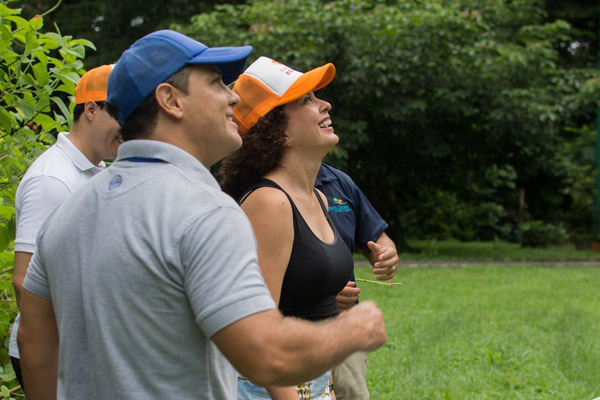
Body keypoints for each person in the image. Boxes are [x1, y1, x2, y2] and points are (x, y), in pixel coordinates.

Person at [17, 30, 387, 400]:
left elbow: (32, 342)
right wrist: (351, 331)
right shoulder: (205, 211)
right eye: (215, 82)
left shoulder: (67, 214)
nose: (234, 96)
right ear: (170, 100)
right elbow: (262, 356)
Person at [220, 56, 353, 399]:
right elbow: (257, 335)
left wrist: (328, 390)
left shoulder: (319, 200)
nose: (325, 104)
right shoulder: (269, 203)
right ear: (276, 130)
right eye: (306, 100)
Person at [9, 64, 121, 389]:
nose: (129, 129)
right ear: (91, 109)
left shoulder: (96, 172)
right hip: (54, 352)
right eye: (122, 117)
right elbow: (23, 280)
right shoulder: (52, 179)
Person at [316, 163, 399, 400]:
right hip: (292, 329)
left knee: (351, 394)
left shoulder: (339, 182)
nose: (330, 123)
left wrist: (386, 255)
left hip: (344, 327)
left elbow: (378, 239)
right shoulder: (267, 186)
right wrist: (319, 298)